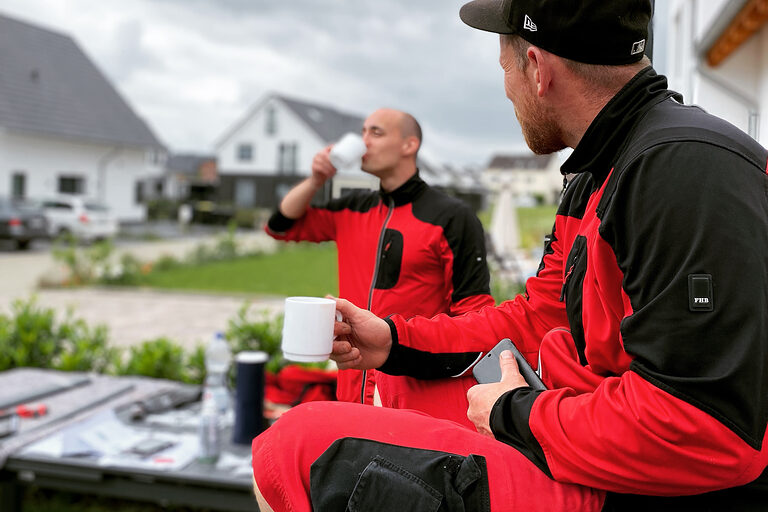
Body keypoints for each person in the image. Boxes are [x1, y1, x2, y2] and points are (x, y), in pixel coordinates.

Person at [252, 0, 768, 510]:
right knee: (396, 388)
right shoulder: (598, 171)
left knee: (292, 448)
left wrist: (514, 415)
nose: (506, 90)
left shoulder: (682, 173)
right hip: (583, 422)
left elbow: (708, 430)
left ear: (537, 68)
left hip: (639, 483)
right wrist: (393, 340)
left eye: (504, 67)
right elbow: (535, 317)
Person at [264, 107, 494, 425]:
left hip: (417, 394)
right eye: (362, 133)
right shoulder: (353, 207)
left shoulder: (453, 217)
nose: (363, 142)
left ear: (408, 145)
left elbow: (474, 316)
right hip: (352, 384)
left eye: (376, 132)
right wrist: (317, 179)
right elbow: (280, 226)